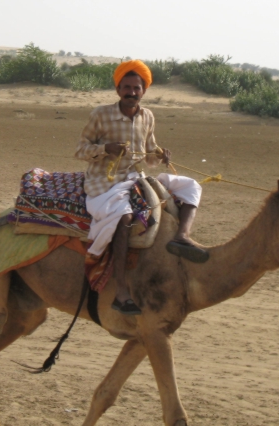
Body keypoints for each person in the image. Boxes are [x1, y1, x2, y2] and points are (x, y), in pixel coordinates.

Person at [75, 60, 209, 316]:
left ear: (143, 91)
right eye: (126, 87)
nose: (131, 92)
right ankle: (121, 291)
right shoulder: (100, 115)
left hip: (136, 178)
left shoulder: (147, 116)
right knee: (124, 217)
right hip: (105, 182)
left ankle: (182, 236)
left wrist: (161, 156)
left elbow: (149, 154)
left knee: (190, 186)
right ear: (118, 89)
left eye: (136, 88)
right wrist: (105, 150)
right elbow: (80, 150)